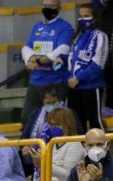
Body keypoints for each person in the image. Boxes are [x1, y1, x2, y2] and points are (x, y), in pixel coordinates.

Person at [21, 0, 73, 131]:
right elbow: (27, 47)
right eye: (45, 6)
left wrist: (37, 61)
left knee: (56, 118)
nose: (48, 8)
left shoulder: (65, 27)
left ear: (59, 8)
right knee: (27, 117)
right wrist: (31, 58)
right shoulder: (37, 27)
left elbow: (62, 49)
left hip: (56, 81)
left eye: (51, 6)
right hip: (36, 81)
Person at [27, 107, 87, 181]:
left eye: (57, 125)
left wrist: (44, 164)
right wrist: (38, 163)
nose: (53, 128)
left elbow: (68, 175)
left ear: (67, 124)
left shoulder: (75, 144)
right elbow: (46, 171)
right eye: (51, 125)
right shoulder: (51, 144)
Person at [67, 3, 110, 132]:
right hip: (73, 88)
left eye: (86, 16)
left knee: (95, 122)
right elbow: (71, 61)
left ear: (95, 18)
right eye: (80, 16)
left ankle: (103, 150)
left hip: (91, 87)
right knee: (75, 125)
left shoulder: (101, 36)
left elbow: (98, 65)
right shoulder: (77, 37)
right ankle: (81, 151)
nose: (82, 19)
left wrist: (78, 78)